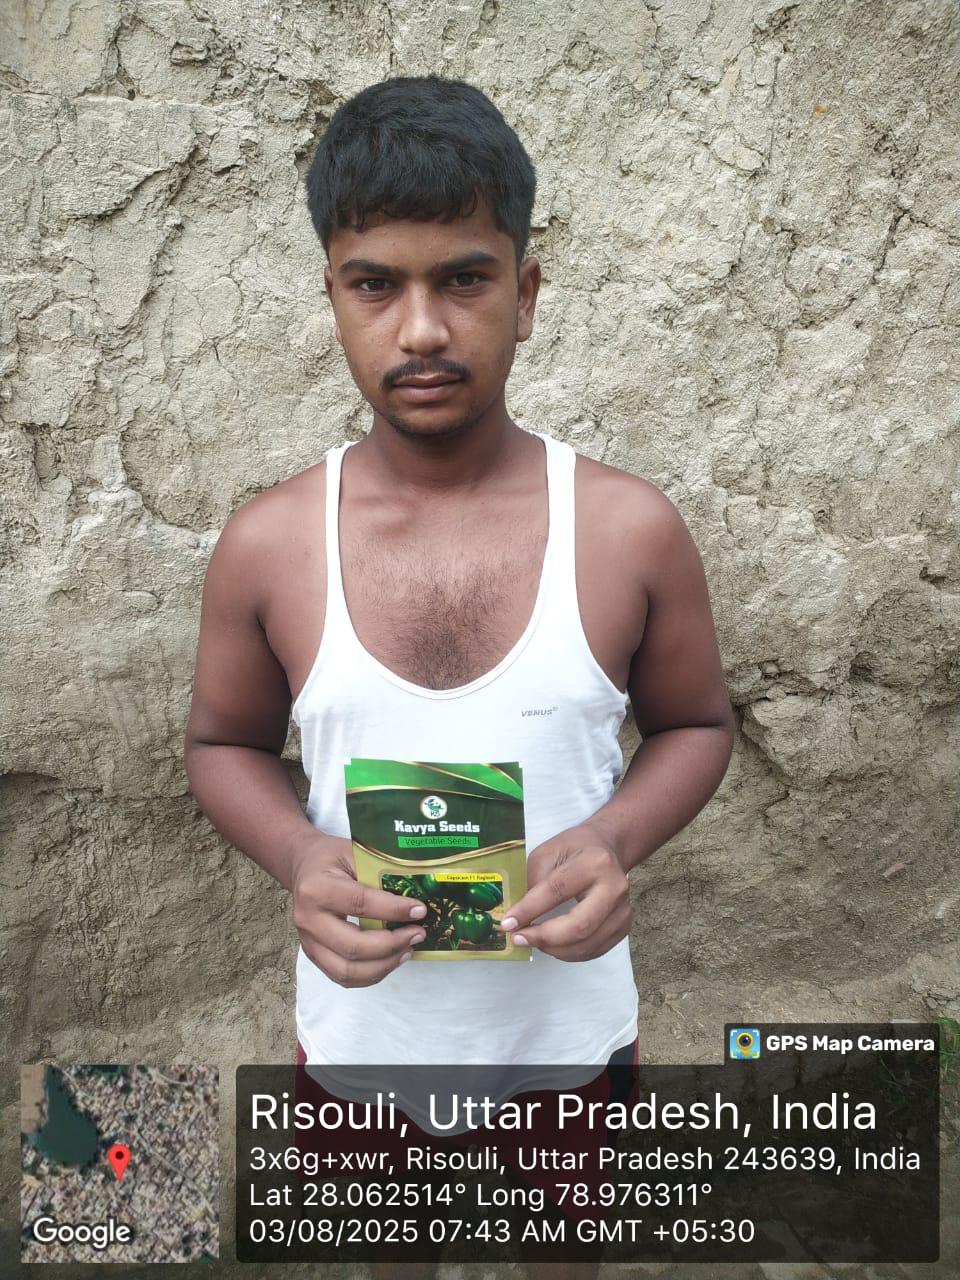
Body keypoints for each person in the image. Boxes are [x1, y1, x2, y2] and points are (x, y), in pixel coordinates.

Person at [184, 75, 735, 1280]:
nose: (421, 329)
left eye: (465, 279)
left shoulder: (628, 529)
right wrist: (299, 854)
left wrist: (616, 837)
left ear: (525, 295)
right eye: (375, 283)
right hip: (367, 1028)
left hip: (567, 1030)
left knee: (563, 1255)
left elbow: (696, 721)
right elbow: (221, 744)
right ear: (331, 296)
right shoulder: (272, 543)